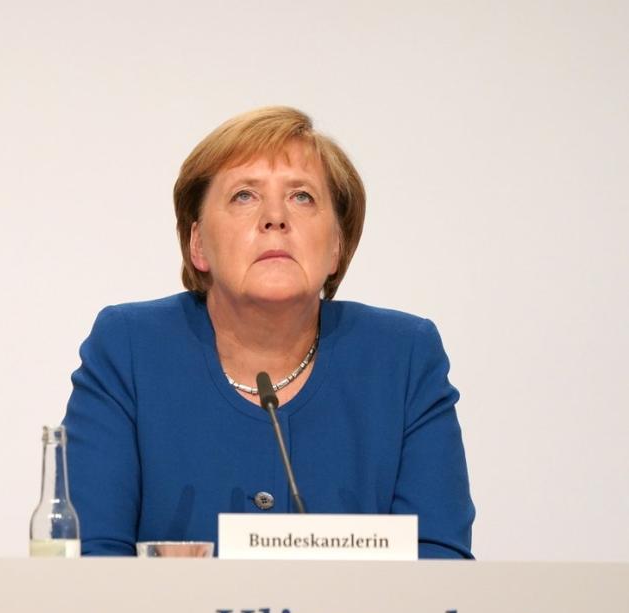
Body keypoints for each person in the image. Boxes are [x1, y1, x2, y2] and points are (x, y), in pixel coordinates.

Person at [64, 106, 474, 558]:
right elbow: (90, 562)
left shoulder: (403, 358)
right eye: (244, 196)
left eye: (302, 197)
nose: (275, 218)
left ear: (337, 244)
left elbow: (440, 569)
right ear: (197, 243)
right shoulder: (130, 349)